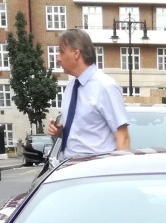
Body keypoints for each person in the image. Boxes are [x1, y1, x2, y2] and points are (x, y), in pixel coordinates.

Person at [47, 28, 130, 159]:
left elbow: (123, 138)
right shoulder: (71, 87)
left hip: (96, 171)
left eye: (61, 52)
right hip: (70, 167)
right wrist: (59, 131)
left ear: (76, 53)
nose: (58, 58)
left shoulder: (105, 86)